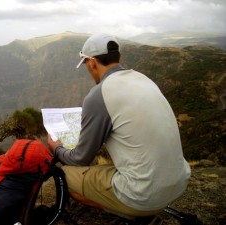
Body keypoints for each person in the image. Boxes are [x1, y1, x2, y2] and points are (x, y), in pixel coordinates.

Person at [47, 33, 191, 218]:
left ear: (91, 62)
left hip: (143, 197)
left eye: (86, 65)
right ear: (119, 57)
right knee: (103, 169)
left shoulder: (99, 94)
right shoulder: (144, 80)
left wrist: (57, 148)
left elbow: (79, 159)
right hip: (178, 183)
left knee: (64, 175)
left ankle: (125, 212)